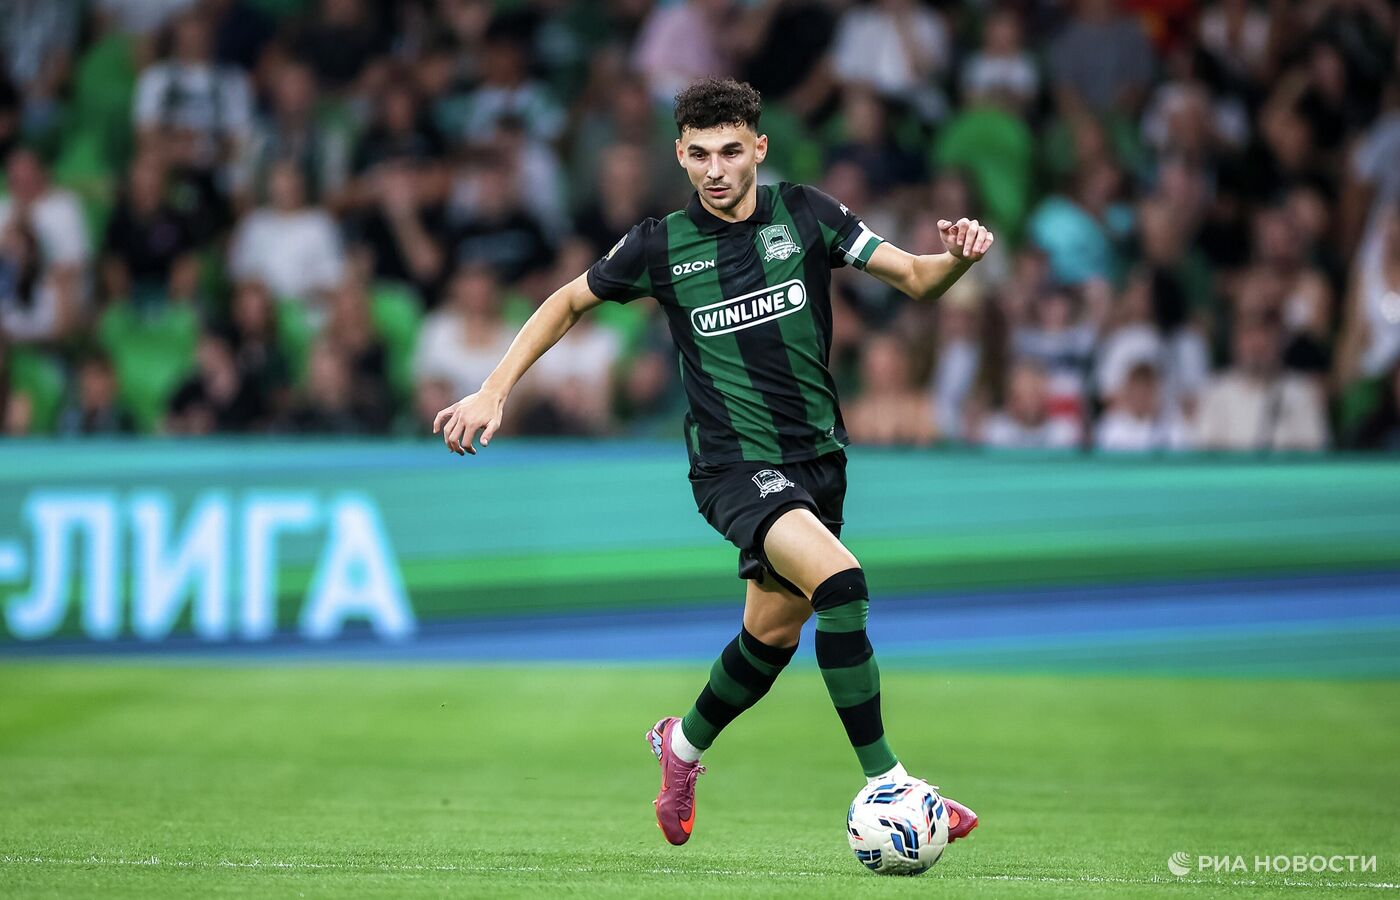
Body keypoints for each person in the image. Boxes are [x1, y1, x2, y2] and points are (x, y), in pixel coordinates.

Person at [432, 78, 992, 846]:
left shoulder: (807, 214)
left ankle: (682, 746)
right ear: (680, 155)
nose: (716, 169)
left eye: (730, 151)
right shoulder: (660, 245)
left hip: (819, 462)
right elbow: (566, 301)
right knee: (842, 585)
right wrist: (494, 390)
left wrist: (955, 259)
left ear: (759, 147)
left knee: (771, 638)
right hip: (733, 467)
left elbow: (919, 279)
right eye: (699, 155)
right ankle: (890, 783)